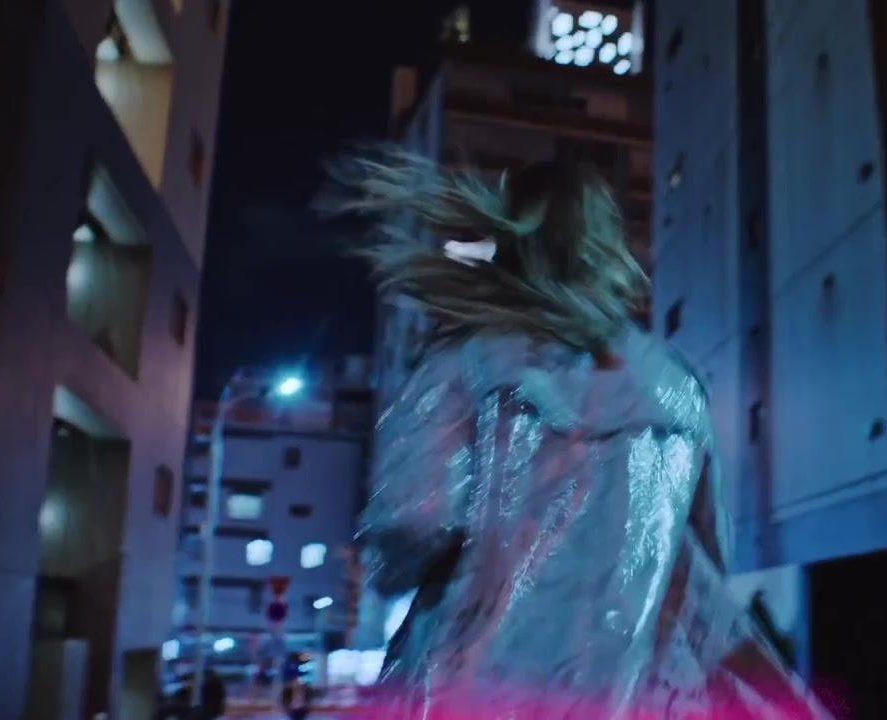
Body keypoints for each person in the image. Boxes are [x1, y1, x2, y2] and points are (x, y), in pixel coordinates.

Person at [341, 150, 828, 719]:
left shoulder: (465, 363)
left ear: (514, 244)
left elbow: (410, 526)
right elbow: (694, 584)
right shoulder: (677, 388)